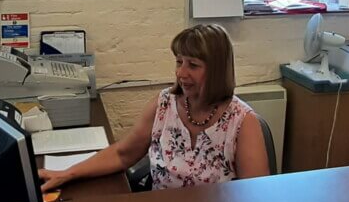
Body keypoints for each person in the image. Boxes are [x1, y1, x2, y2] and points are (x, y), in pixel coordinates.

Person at [38, 24, 269, 192]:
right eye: (179, 62)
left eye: (193, 65)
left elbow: (254, 197)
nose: (181, 73)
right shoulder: (164, 104)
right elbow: (122, 154)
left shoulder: (242, 122)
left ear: (217, 70)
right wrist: (68, 173)